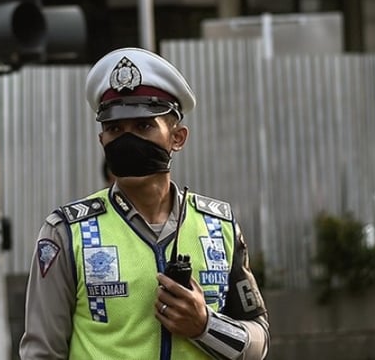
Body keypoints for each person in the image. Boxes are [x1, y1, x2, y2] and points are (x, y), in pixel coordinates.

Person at [20, 47, 270, 359]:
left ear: (177, 138)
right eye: (114, 129)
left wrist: (204, 326)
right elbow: (41, 352)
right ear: (102, 141)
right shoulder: (66, 232)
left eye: (143, 126)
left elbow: (258, 341)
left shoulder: (218, 226)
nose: (127, 140)